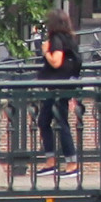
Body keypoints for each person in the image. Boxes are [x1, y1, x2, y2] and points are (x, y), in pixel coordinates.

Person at [35, 10, 81, 178]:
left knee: (61, 123)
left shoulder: (56, 39)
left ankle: (72, 163)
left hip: (57, 88)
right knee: (44, 120)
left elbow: (56, 62)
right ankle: (51, 161)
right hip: (63, 85)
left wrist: (46, 51)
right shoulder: (70, 39)